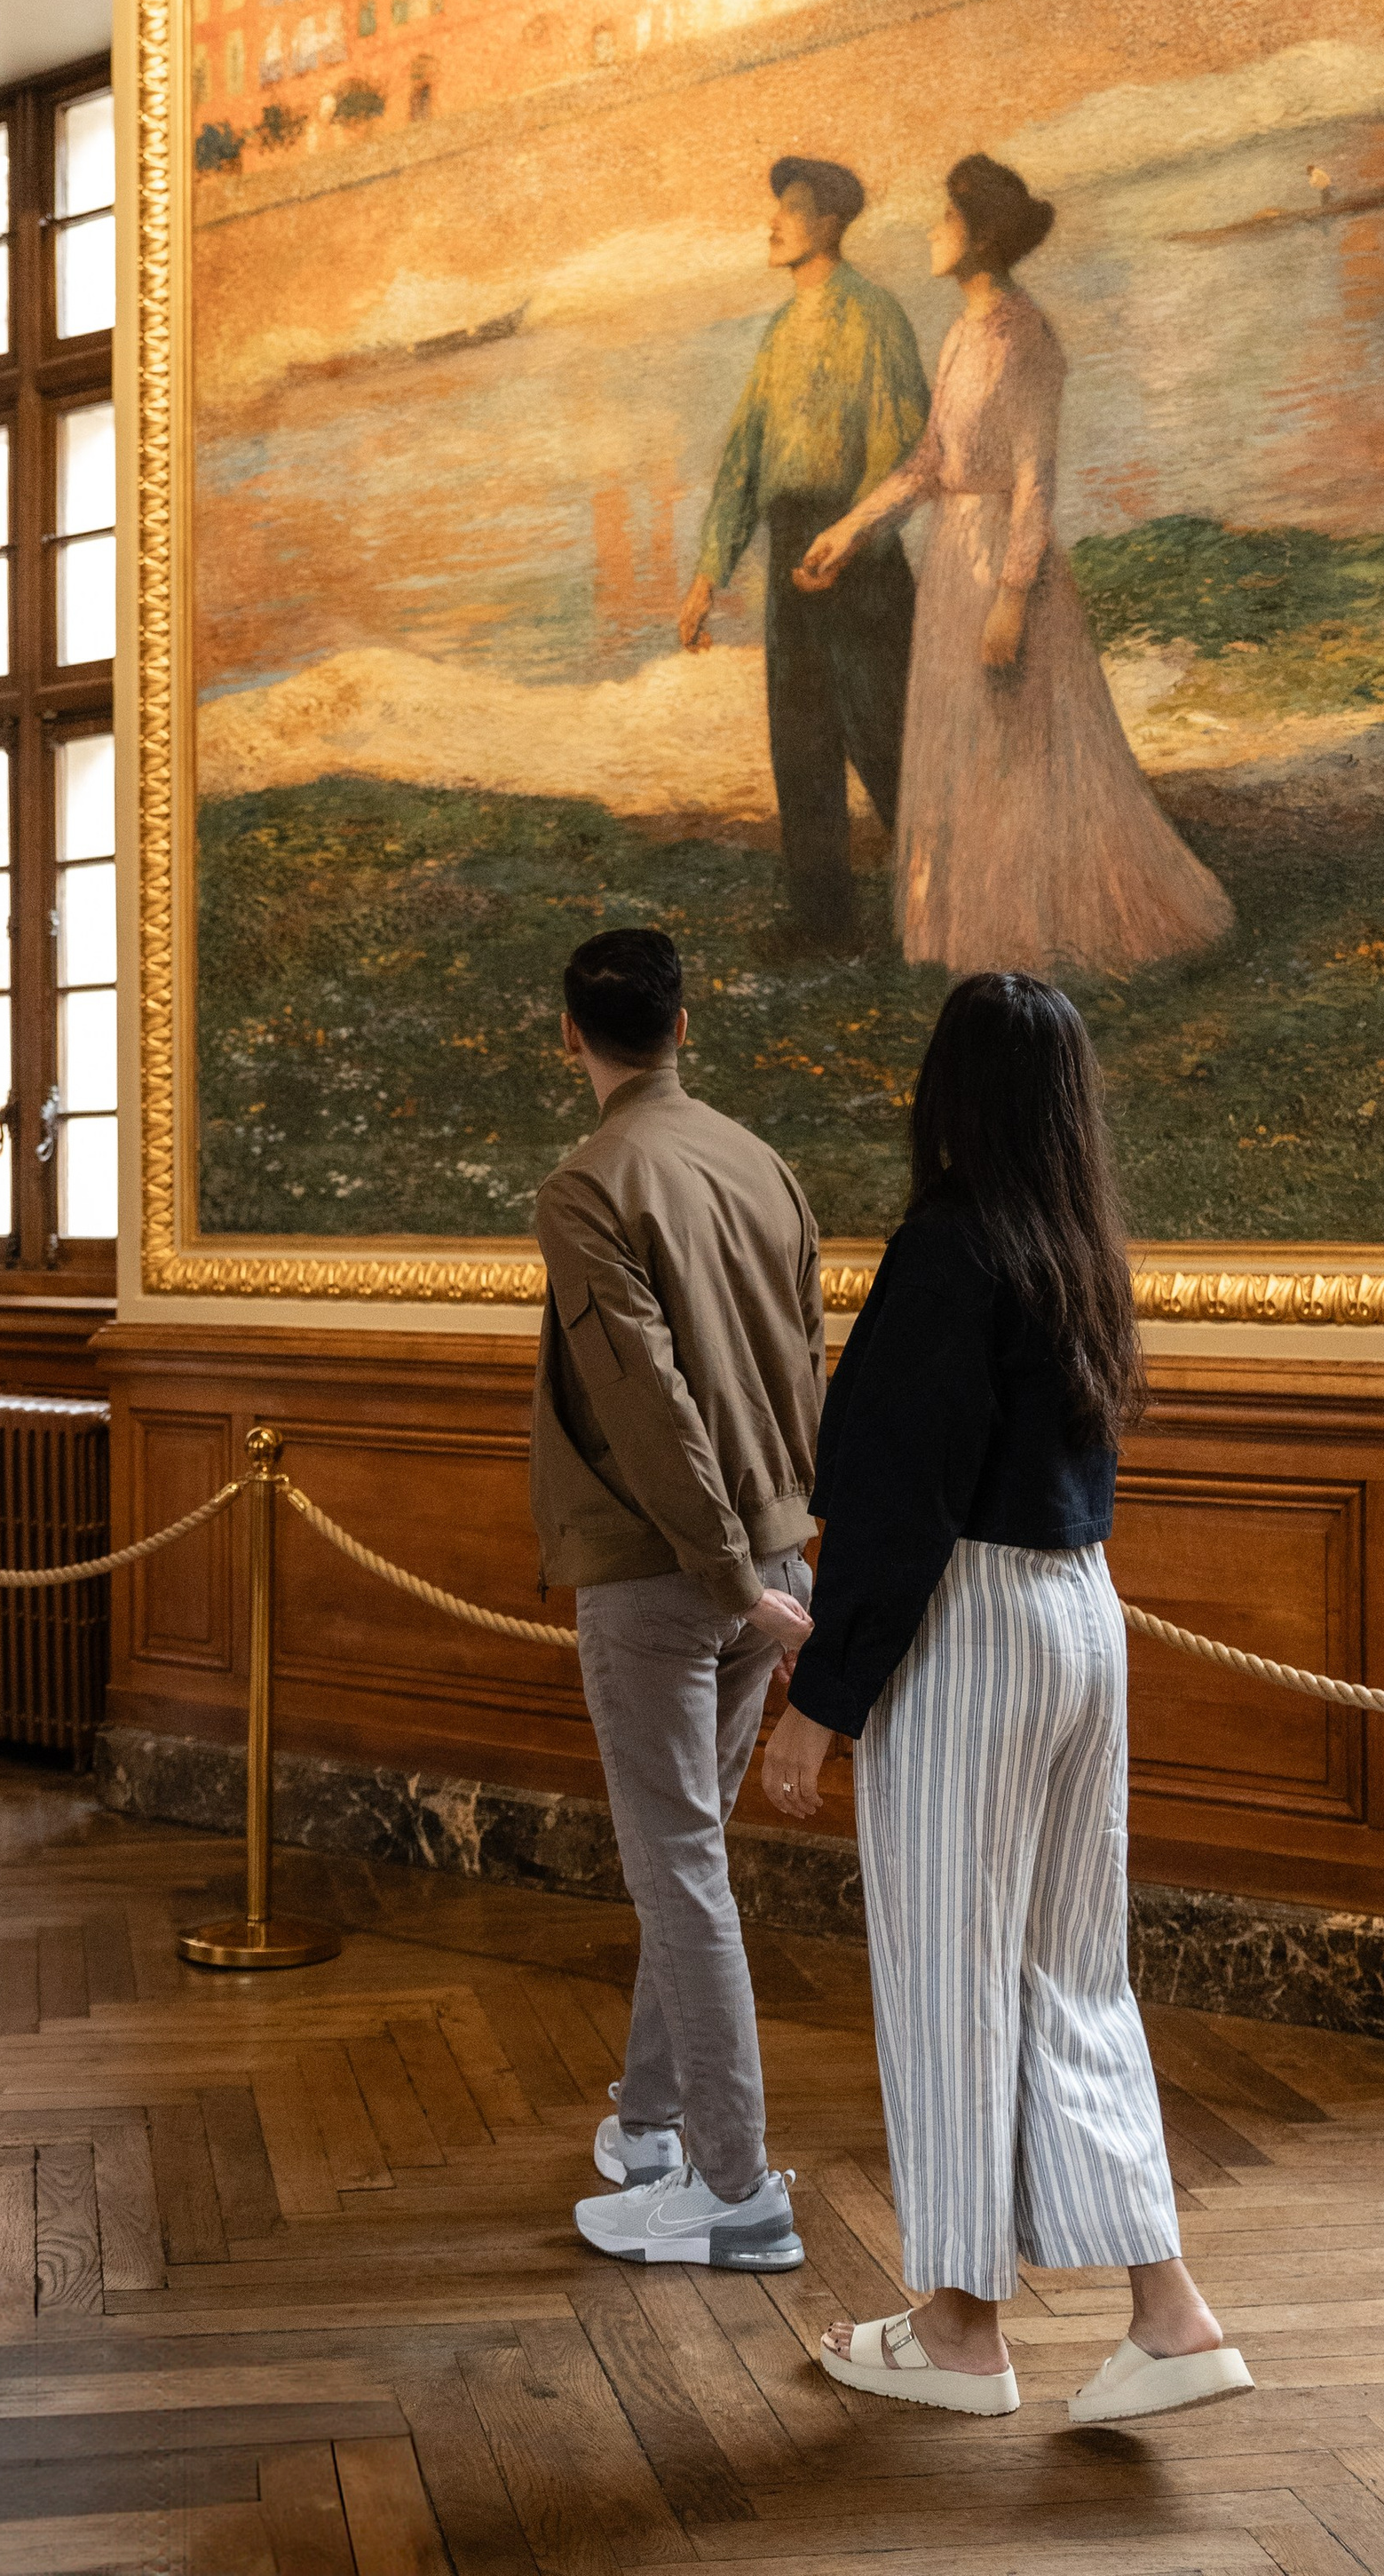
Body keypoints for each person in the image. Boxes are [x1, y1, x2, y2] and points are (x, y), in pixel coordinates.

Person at [762, 972, 1253, 2428]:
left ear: (948, 1091)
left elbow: (902, 1508)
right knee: (1067, 1975)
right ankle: (1169, 2313)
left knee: (949, 1977)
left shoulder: (951, 1244)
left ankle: (963, 2332)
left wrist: (820, 1702)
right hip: (1079, 1615)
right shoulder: (1075, 1248)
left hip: (969, 1626)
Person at [531, 924, 823, 2272]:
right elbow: (809, 1368)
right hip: (767, 1560)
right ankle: (650, 2126)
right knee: (687, 1863)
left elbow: (646, 1406)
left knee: (682, 1872)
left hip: (670, 1577)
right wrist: (769, 1571)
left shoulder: (589, 1183)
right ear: (685, 1027)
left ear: (571, 1038)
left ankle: (738, 2190)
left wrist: (720, 1574)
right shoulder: (763, 1164)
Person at [794, 153, 1232, 977]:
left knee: (1020, 748)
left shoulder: (1024, 335)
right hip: (953, 561)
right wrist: (851, 528)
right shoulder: (962, 330)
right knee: (966, 744)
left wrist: (1013, 596)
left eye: (945, 220)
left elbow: (1034, 476)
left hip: (1002, 566)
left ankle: (1044, 928)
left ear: (980, 235)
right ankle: (977, 933)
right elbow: (931, 460)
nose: (930, 232)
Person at [680, 157, 929, 948]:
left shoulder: (874, 315)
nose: (774, 222)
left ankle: (944, 908)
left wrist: (853, 537)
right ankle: (823, 921)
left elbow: (903, 449)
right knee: (800, 738)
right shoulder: (780, 329)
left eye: (792, 209)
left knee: (886, 736)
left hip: (857, 551)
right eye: (777, 208)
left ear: (830, 224)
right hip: (792, 547)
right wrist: (707, 575)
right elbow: (744, 459)